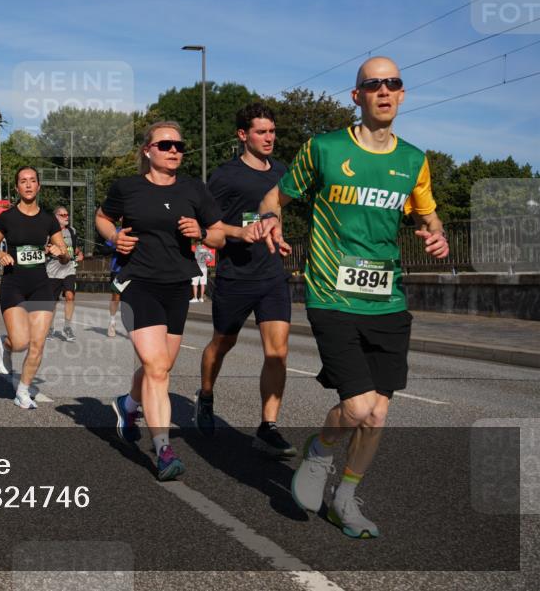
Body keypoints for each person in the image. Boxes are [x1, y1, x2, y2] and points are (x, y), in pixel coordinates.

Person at [253, 57, 449, 538]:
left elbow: (428, 217)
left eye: (393, 83)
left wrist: (437, 234)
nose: (384, 90)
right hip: (331, 294)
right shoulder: (324, 149)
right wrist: (273, 219)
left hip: (388, 300)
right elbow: (275, 198)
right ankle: (320, 450)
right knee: (358, 407)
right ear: (356, 96)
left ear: (402, 95)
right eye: (373, 84)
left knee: (379, 413)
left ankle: (345, 499)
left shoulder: (413, 161)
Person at [97, 121, 224, 481]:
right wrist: (114, 236)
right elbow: (103, 218)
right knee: (155, 368)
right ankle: (164, 450)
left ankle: (128, 404)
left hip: (177, 286)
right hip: (138, 283)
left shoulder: (194, 189)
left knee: (162, 367)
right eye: (166, 145)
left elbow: (217, 234)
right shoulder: (128, 188)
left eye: (179, 146)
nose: (174, 151)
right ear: (147, 150)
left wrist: (202, 233)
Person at [196, 102, 296, 459]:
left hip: (271, 275)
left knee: (278, 351)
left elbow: (276, 212)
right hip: (235, 277)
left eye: (272, 131)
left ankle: (268, 426)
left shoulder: (282, 171)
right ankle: (206, 395)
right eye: (261, 132)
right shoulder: (225, 177)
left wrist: (277, 234)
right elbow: (209, 230)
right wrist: (242, 233)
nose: (269, 138)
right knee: (222, 344)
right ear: (243, 135)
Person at [0, 166, 67, 409]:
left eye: (33, 180)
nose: (29, 185)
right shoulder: (7, 218)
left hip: (41, 285)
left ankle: (22, 390)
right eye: (23, 181)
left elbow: (65, 255)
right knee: (21, 342)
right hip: (14, 284)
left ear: (39, 186)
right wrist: (1, 255)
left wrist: (59, 252)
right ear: (17, 187)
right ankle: (6, 344)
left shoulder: (48, 220)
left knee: (38, 343)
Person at [46, 206, 85, 342]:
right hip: (53, 269)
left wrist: (79, 253)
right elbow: (43, 247)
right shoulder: (49, 232)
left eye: (67, 214)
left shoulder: (72, 231)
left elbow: (74, 248)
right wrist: (49, 249)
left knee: (70, 296)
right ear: (55, 217)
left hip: (69, 268)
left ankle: (67, 327)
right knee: (53, 301)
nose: (66, 217)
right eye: (62, 215)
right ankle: (50, 328)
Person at [105, 228, 123, 338]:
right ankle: (112, 322)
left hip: (135, 269)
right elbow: (104, 250)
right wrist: (115, 247)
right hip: (118, 270)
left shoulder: (140, 230)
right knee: (116, 297)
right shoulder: (115, 232)